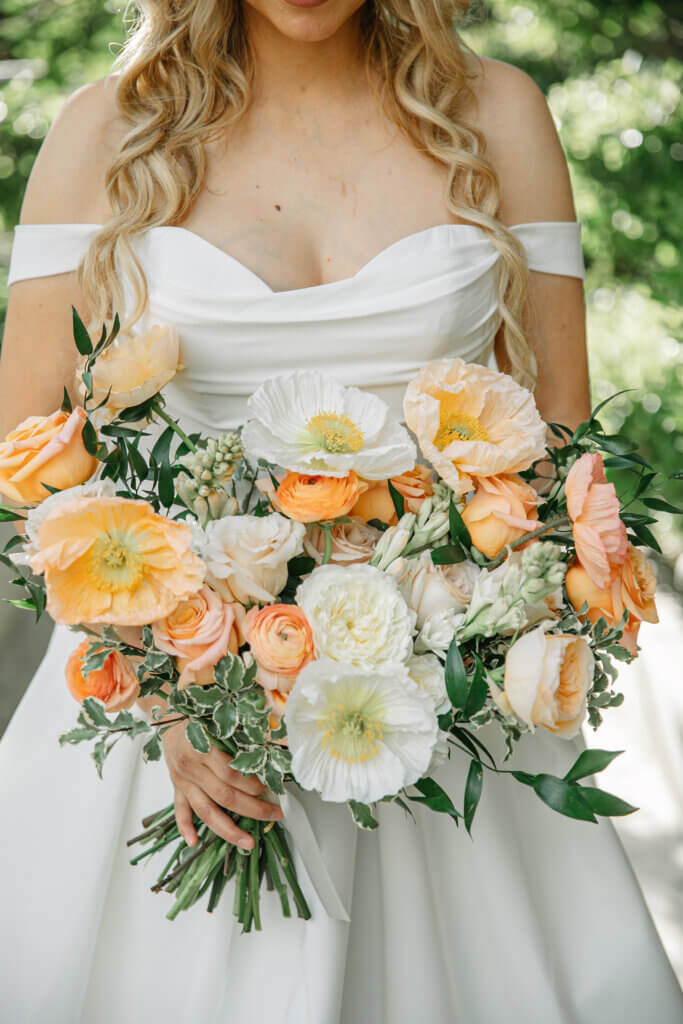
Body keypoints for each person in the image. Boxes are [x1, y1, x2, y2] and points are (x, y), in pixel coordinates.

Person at [0, 1, 680, 1021]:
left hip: (449, 704)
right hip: (173, 714)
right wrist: (172, 700)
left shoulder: (499, 115)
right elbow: (30, 459)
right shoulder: (105, 133)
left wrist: (464, 631)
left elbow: (559, 450)